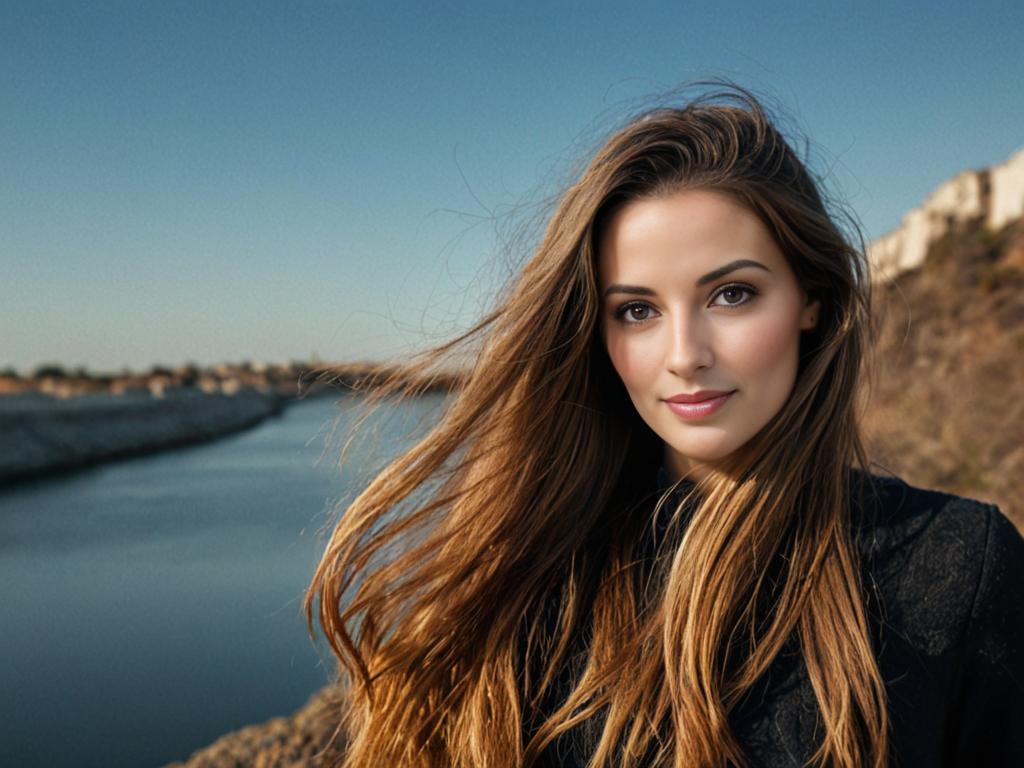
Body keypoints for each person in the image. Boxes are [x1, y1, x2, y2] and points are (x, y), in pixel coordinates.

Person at [304, 86, 1024, 767]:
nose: (684, 357)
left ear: (813, 298)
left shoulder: (959, 564)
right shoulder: (528, 565)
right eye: (637, 311)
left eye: (732, 294)